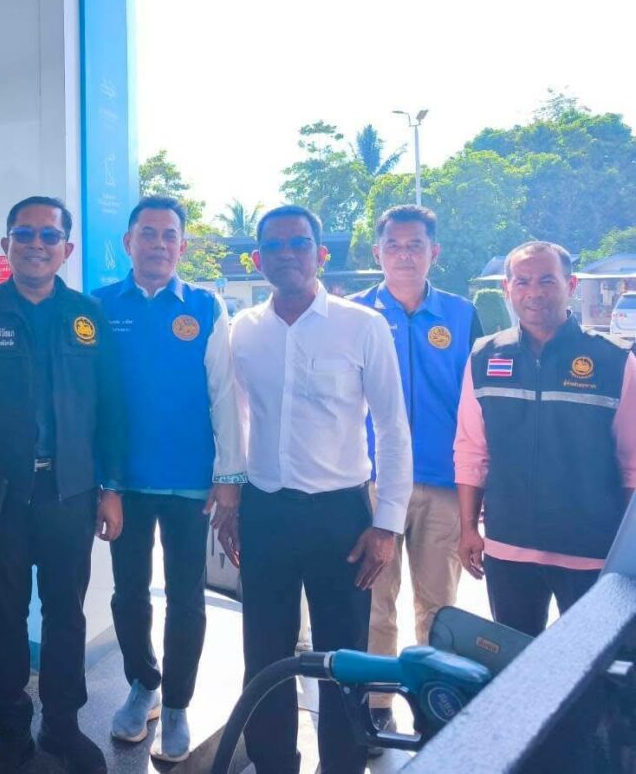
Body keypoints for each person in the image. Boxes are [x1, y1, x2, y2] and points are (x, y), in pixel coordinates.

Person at [0, 196, 125, 774]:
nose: (36, 244)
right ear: (6, 245)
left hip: (71, 492)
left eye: (49, 235)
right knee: (5, 613)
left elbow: (111, 408)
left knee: (66, 614)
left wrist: (112, 487)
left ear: (67, 248)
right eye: (24, 233)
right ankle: (11, 729)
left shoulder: (87, 316)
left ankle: (62, 728)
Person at [224, 204, 412, 774]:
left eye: (299, 243)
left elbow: (392, 427)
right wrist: (231, 495)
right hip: (265, 512)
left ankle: (342, 765)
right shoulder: (243, 330)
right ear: (257, 259)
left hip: (342, 519)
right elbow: (234, 419)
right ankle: (273, 762)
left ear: (320, 253)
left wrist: (387, 524)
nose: (286, 254)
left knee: (344, 658)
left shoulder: (362, 326)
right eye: (273, 246)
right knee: (264, 653)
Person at [94, 196, 246, 763]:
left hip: (190, 483)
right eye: (147, 233)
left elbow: (224, 394)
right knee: (128, 593)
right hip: (124, 484)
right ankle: (144, 685)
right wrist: (102, 482)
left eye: (168, 235)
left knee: (186, 596)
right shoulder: (99, 305)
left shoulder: (206, 306)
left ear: (182, 245)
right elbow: (90, 397)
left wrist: (229, 475)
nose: (158, 244)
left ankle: (178, 703)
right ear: (128, 242)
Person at [455, 241, 636, 637]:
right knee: (516, 662)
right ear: (507, 289)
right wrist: (468, 528)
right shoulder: (485, 357)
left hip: (592, 552)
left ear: (570, 285)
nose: (534, 292)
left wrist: (626, 551)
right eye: (522, 281)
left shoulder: (615, 360)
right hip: (508, 546)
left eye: (546, 280)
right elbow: (471, 450)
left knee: (593, 663)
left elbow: (631, 464)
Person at [349, 205, 481, 737]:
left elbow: (478, 405)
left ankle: (434, 703)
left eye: (416, 245)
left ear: (434, 252)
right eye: (394, 245)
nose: (404, 255)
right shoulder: (353, 314)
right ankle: (376, 702)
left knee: (438, 604)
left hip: (443, 482)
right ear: (377, 252)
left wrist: (478, 487)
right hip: (373, 482)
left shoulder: (462, 314)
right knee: (374, 601)